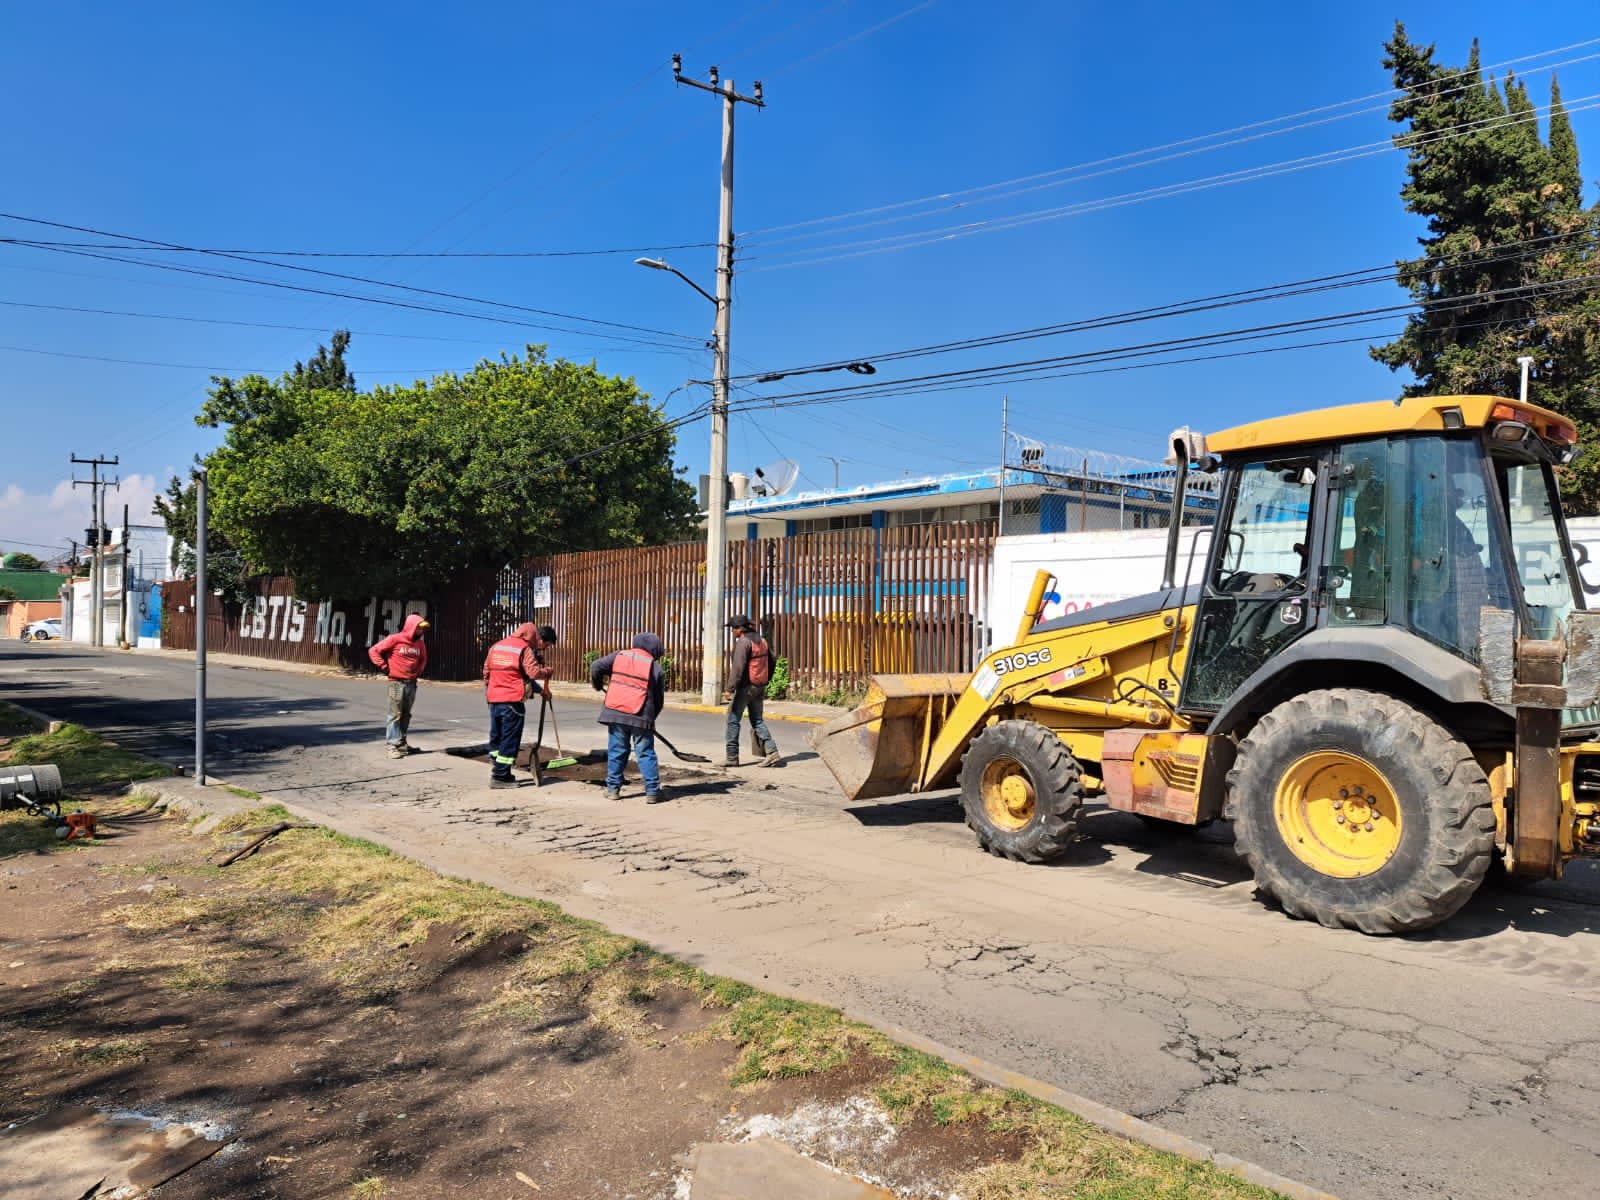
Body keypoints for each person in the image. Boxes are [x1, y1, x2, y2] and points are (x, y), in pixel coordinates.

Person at [590, 633, 668, 803]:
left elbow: (596, 666)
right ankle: (653, 792)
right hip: (641, 715)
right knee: (645, 753)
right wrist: (650, 719)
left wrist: (597, 684)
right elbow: (659, 701)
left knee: (617, 750)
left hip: (616, 712)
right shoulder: (655, 667)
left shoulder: (618, 656)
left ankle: (613, 790)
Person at [482, 622, 557, 788]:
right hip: (512, 701)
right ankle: (500, 777)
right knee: (510, 738)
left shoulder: (497, 646)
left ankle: (500, 769)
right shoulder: (524, 649)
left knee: (497, 736)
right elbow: (533, 673)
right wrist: (547, 672)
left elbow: (487, 671)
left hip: (494, 699)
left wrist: (493, 689)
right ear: (533, 636)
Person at [368, 613, 430, 759]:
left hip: (411, 683)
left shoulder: (420, 644)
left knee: (406, 715)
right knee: (395, 715)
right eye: (419, 628)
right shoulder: (395, 639)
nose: (421, 632)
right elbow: (373, 651)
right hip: (396, 683)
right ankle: (392, 745)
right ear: (411, 627)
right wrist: (384, 667)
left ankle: (402, 743)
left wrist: (418, 672)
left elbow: (423, 659)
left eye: (422, 629)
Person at [723, 615, 779, 768]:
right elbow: (772, 660)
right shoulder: (762, 640)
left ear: (740, 629)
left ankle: (732, 757)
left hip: (745, 687)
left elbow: (737, 668)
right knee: (757, 720)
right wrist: (765, 680)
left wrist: (730, 689)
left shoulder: (743, 642)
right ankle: (772, 751)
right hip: (759, 685)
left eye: (733, 628)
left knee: (733, 719)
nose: (733, 631)